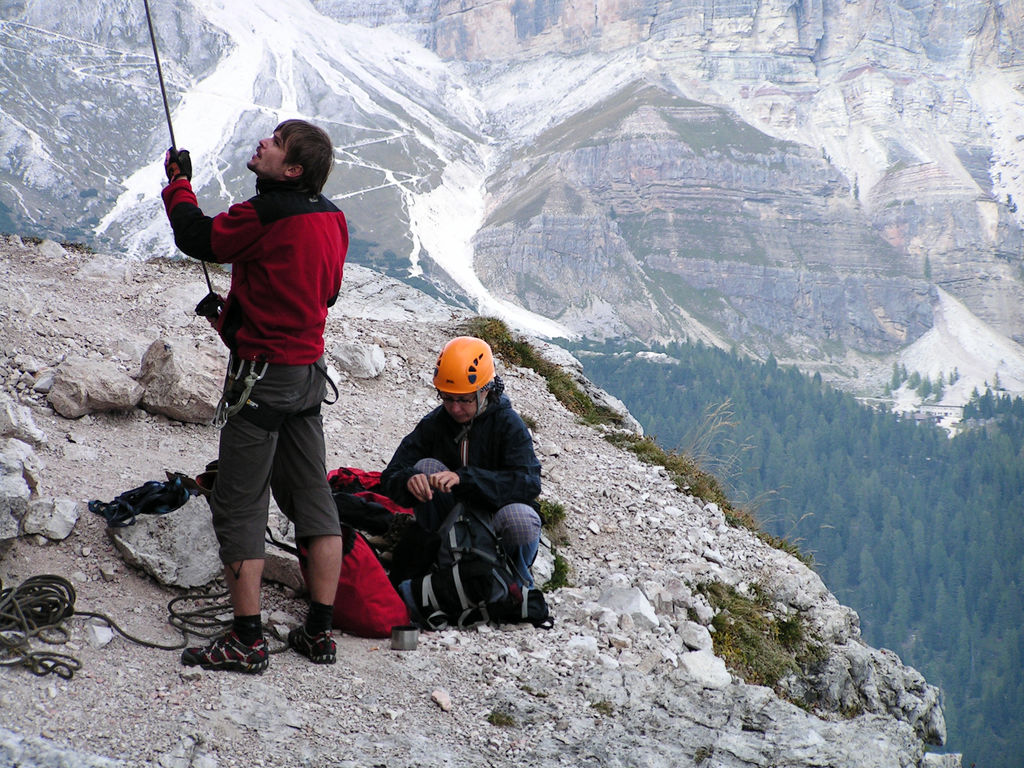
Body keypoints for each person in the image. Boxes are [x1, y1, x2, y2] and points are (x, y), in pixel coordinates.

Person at [160, 119, 348, 673]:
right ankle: (318, 632)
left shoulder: (265, 213)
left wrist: (178, 184)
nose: (262, 144)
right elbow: (329, 290)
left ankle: (246, 639)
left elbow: (198, 237)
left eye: (275, 144)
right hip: (308, 374)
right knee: (315, 499)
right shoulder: (332, 216)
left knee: (240, 504)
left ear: (291, 169)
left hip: (260, 378)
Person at [380, 336, 543, 595]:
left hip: (497, 514)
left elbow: (528, 483)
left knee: (521, 521)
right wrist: (408, 479)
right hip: (451, 517)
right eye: (447, 397)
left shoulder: (508, 424)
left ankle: (516, 578)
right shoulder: (436, 422)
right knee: (425, 468)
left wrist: (464, 478)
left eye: (465, 399)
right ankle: (436, 563)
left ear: (485, 390)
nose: (455, 408)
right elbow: (391, 474)